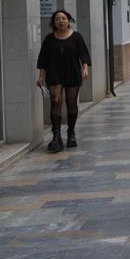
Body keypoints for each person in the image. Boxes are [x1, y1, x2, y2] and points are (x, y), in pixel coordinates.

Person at [36, 9, 91, 153]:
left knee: (71, 104)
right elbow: (43, 59)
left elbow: (83, 54)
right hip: (54, 74)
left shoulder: (77, 37)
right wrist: (41, 76)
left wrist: (85, 68)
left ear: (68, 21)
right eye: (57, 19)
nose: (60, 21)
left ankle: (71, 133)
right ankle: (56, 137)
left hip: (72, 72)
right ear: (53, 23)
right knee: (55, 103)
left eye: (63, 18)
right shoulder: (49, 39)